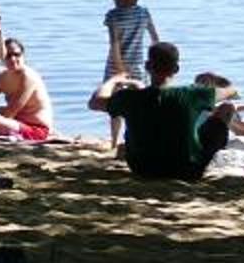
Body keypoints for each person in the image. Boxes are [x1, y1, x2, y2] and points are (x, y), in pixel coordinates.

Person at [88, 42, 233, 182]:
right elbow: (230, 91)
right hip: (188, 169)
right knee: (227, 108)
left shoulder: (130, 98)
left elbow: (95, 103)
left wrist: (112, 81)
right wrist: (214, 79)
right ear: (176, 69)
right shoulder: (192, 94)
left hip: (143, 168)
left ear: (147, 66)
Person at [100, 0, 157, 150]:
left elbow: (114, 44)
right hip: (139, 66)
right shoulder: (143, 12)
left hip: (116, 65)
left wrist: (119, 70)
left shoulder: (113, 16)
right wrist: (155, 60)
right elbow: (155, 38)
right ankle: (139, 137)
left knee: (114, 106)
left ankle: (114, 142)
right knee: (139, 105)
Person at [0, 37, 53, 141]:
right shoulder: (1, 77)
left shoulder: (28, 76)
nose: (12, 59)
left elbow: (11, 112)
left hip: (36, 130)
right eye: (8, 55)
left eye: (17, 54)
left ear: (23, 56)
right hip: (17, 122)